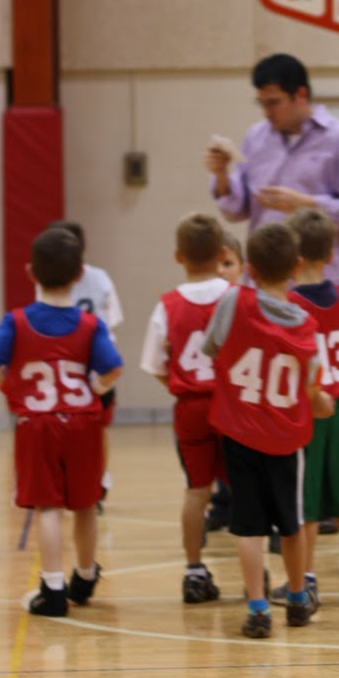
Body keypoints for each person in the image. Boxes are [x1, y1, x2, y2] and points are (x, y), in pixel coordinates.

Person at [0, 225, 123, 617]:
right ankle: (86, 574)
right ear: (80, 275)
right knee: (87, 505)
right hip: (83, 423)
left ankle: (54, 588)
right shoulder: (92, 325)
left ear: (30, 272)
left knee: (47, 508)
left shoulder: (17, 321)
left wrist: (10, 388)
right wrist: (95, 385)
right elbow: (113, 368)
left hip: (38, 423)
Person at [202, 221, 333, 640]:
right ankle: (297, 598)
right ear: (296, 265)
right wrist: (323, 403)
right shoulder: (306, 328)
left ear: (250, 268)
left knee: (248, 525)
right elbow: (312, 390)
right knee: (291, 524)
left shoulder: (232, 303)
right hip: (284, 439)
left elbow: (212, 348)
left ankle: (257, 607)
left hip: (239, 433)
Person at [266, 207, 339, 610]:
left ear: (293, 257)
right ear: (331, 251)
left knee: (307, 501)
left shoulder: (291, 303)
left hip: (307, 409)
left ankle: (306, 578)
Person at [205, 52, 339, 311]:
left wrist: (307, 205)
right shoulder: (256, 137)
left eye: (273, 102)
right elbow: (236, 210)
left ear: (300, 95)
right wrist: (221, 176)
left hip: (323, 285)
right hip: (264, 284)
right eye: (261, 102)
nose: (266, 112)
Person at [140, 212, 232, 604]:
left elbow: (155, 365)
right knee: (242, 488)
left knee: (196, 491)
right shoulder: (235, 297)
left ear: (178, 256)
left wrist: (183, 384)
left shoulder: (168, 305)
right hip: (233, 407)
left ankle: (194, 569)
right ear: (223, 253)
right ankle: (253, 565)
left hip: (190, 406)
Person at [47, 221, 123, 506]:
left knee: (71, 428)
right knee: (97, 430)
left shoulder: (50, 280)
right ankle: (98, 483)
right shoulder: (101, 278)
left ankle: (81, 481)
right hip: (96, 367)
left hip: (67, 368)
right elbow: (113, 321)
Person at [203, 230, 244, 536]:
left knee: (238, 459)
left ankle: (238, 507)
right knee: (215, 457)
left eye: (228, 264)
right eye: (216, 265)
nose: (221, 271)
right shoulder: (198, 303)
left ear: (242, 268)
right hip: (208, 393)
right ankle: (222, 505)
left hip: (241, 398)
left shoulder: (244, 305)